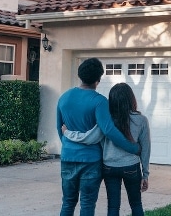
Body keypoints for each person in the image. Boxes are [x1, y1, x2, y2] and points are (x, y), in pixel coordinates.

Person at [57, 58, 140, 216]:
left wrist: (70, 147)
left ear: (80, 76)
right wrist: (132, 147)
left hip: (68, 157)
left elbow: (59, 128)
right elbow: (109, 130)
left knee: (68, 201)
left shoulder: (64, 98)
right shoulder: (99, 101)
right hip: (91, 160)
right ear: (98, 79)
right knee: (87, 203)